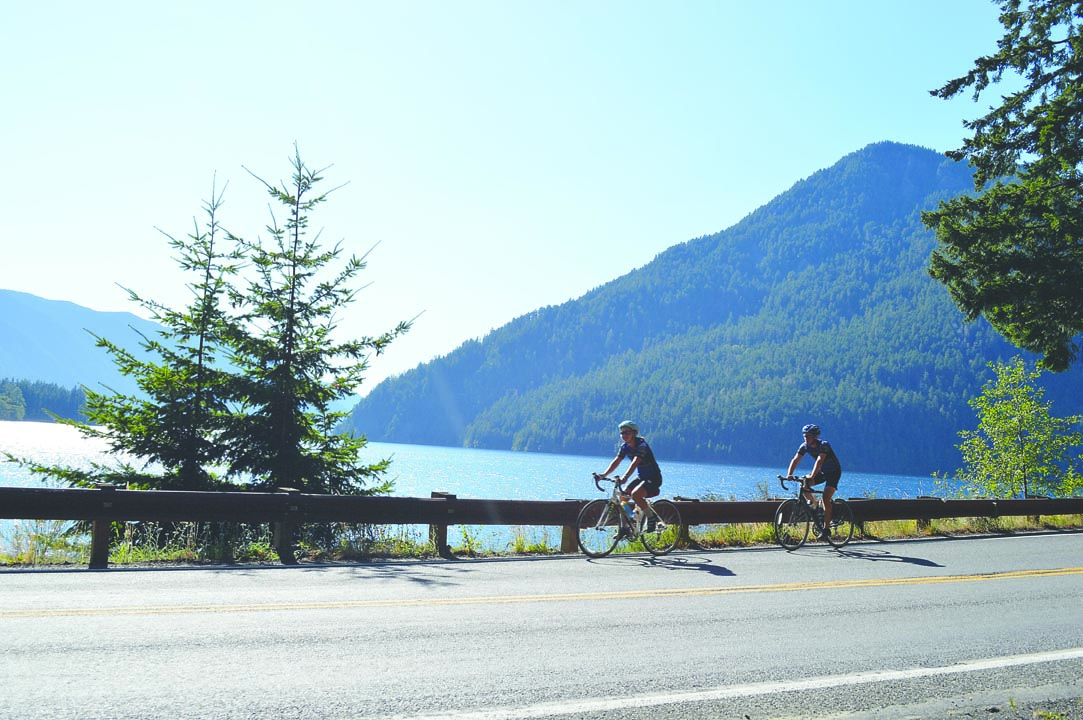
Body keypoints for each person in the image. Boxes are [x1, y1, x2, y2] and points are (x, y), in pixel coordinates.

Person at [598, 420, 663, 531]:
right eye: (622, 433)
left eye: (627, 432)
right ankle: (626, 527)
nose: (624, 435)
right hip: (641, 477)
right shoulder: (625, 447)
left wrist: (625, 477)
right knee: (623, 497)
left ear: (634, 433)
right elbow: (616, 461)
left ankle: (651, 518)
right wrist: (603, 475)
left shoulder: (642, 445)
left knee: (635, 494)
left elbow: (635, 462)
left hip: (654, 478)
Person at [785, 423, 842, 538]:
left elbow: (819, 461)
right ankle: (816, 506)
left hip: (833, 473)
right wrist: (789, 474)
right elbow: (795, 460)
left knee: (826, 498)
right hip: (822, 472)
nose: (806, 438)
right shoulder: (804, 446)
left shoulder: (824, 445)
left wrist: (812, 476)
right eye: (804, 436)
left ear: (815, 436)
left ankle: (826, 529)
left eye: (809, 436)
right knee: (804, 484)